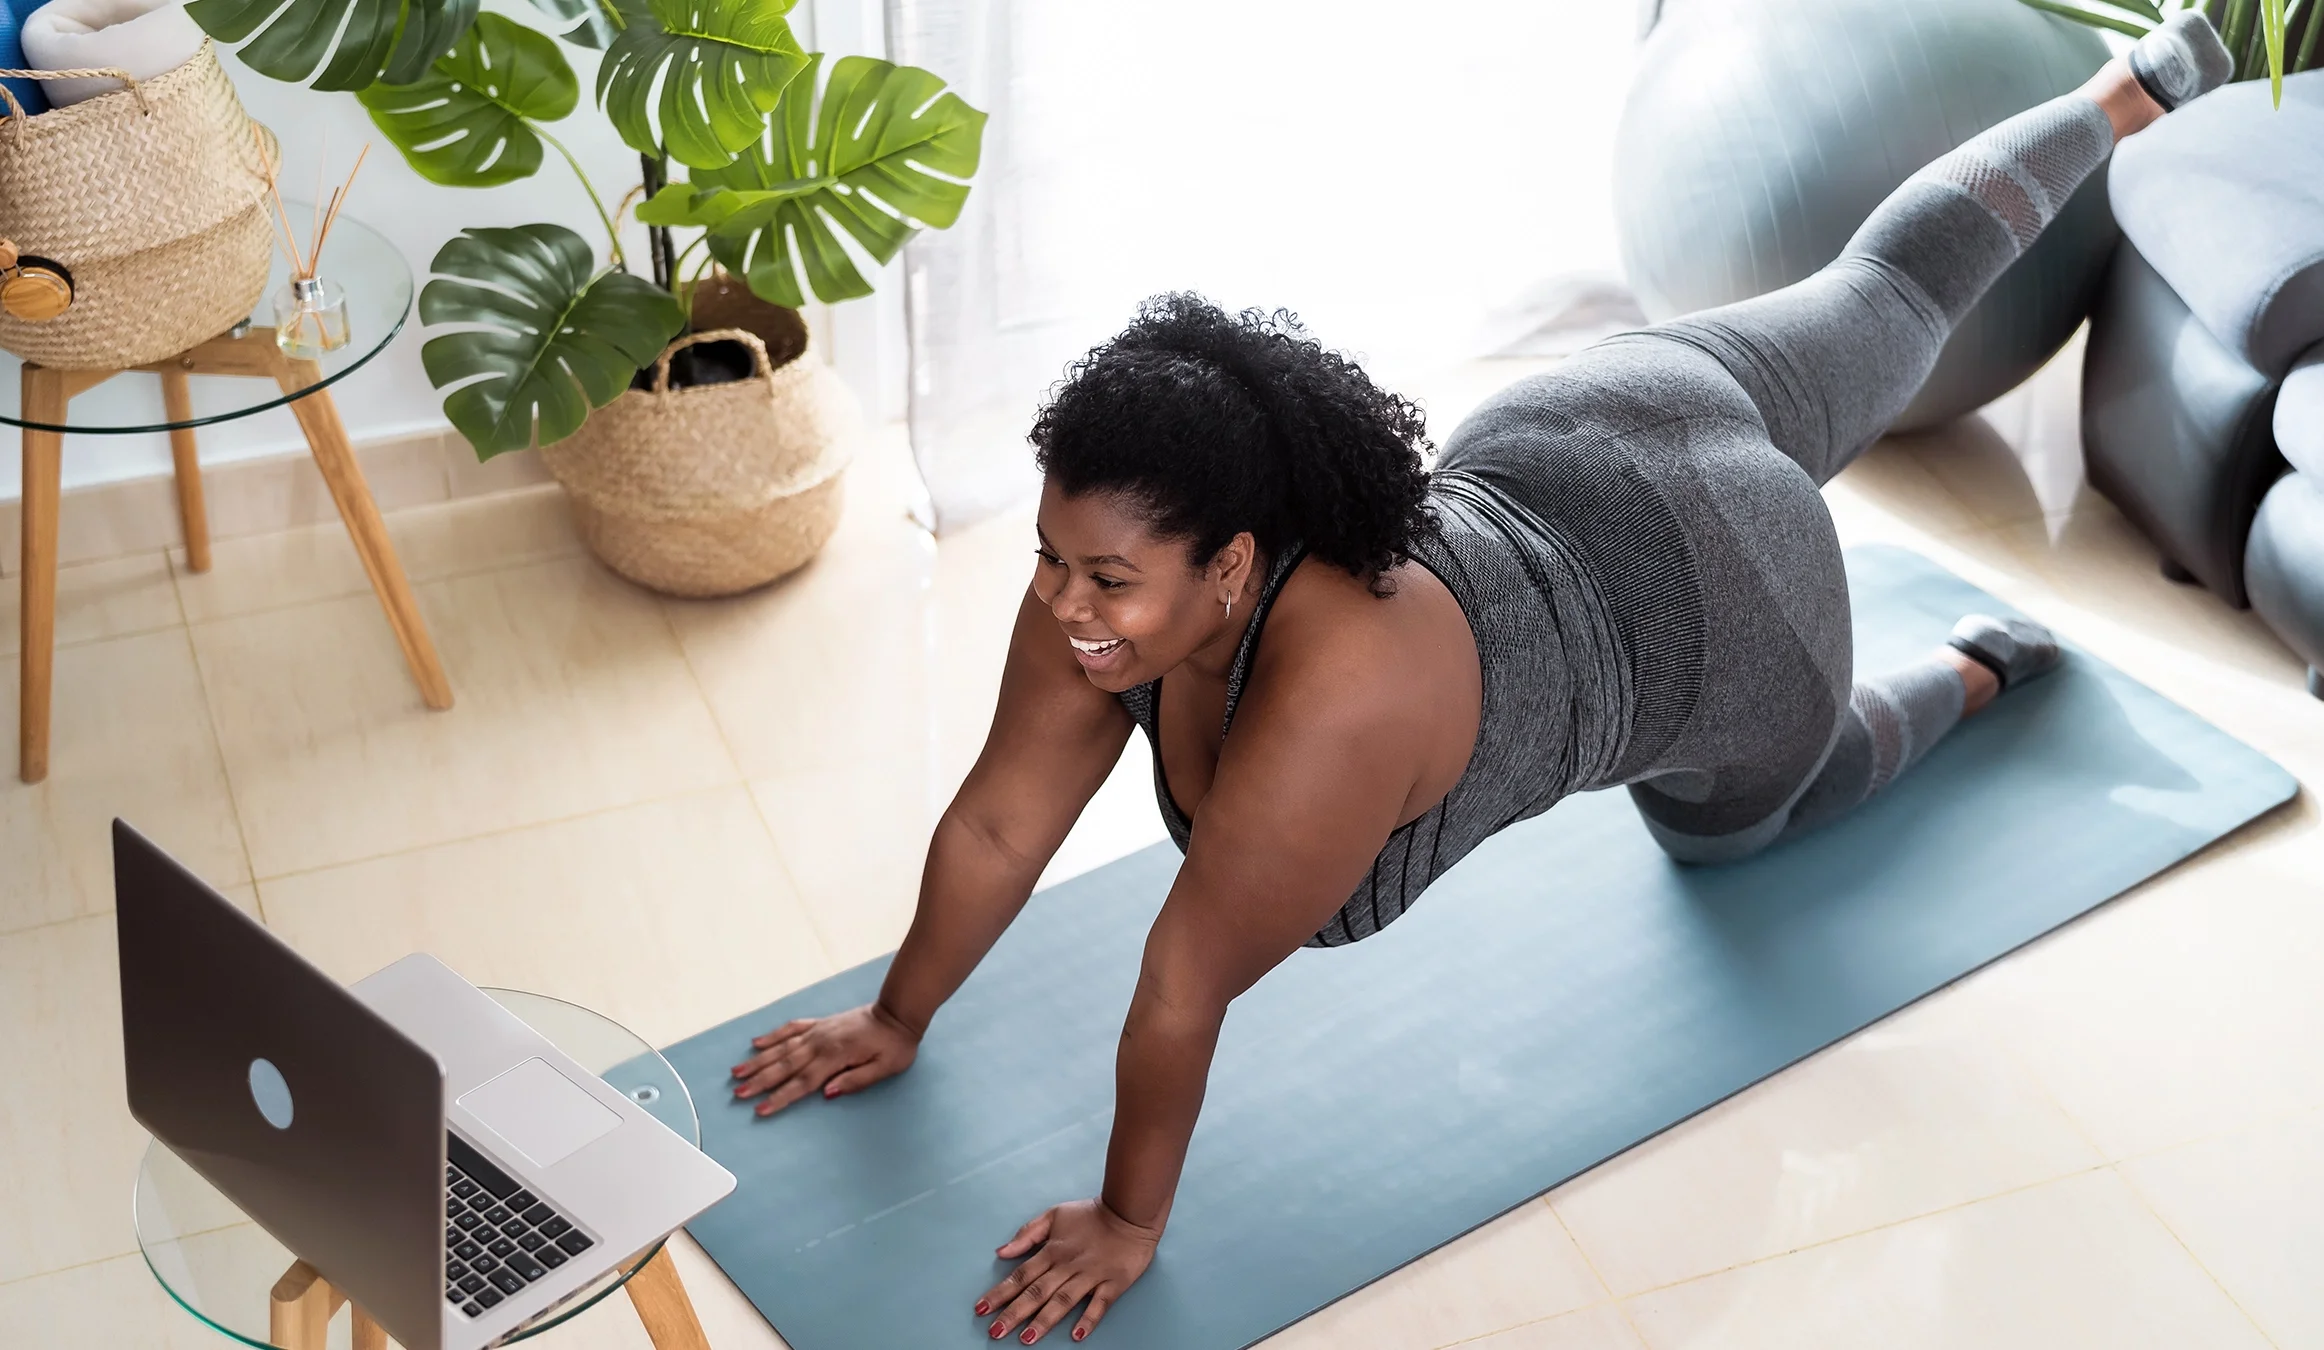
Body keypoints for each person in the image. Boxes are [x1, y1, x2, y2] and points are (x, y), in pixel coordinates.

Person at [732, 15, 2233, 1345]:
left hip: (1728, 605)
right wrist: (899, 1017)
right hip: (1592, 421)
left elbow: (1183, 981)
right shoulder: (1117, 581)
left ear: (1236, 565)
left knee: (1743, 829)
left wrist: (1129, 1222)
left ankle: (1972, 671)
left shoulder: (1333, 702)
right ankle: (2135, 84)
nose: (1061, 600)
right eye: (1053, 553)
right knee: (1880, 294)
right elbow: (1002, 822)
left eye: (1102, 575)